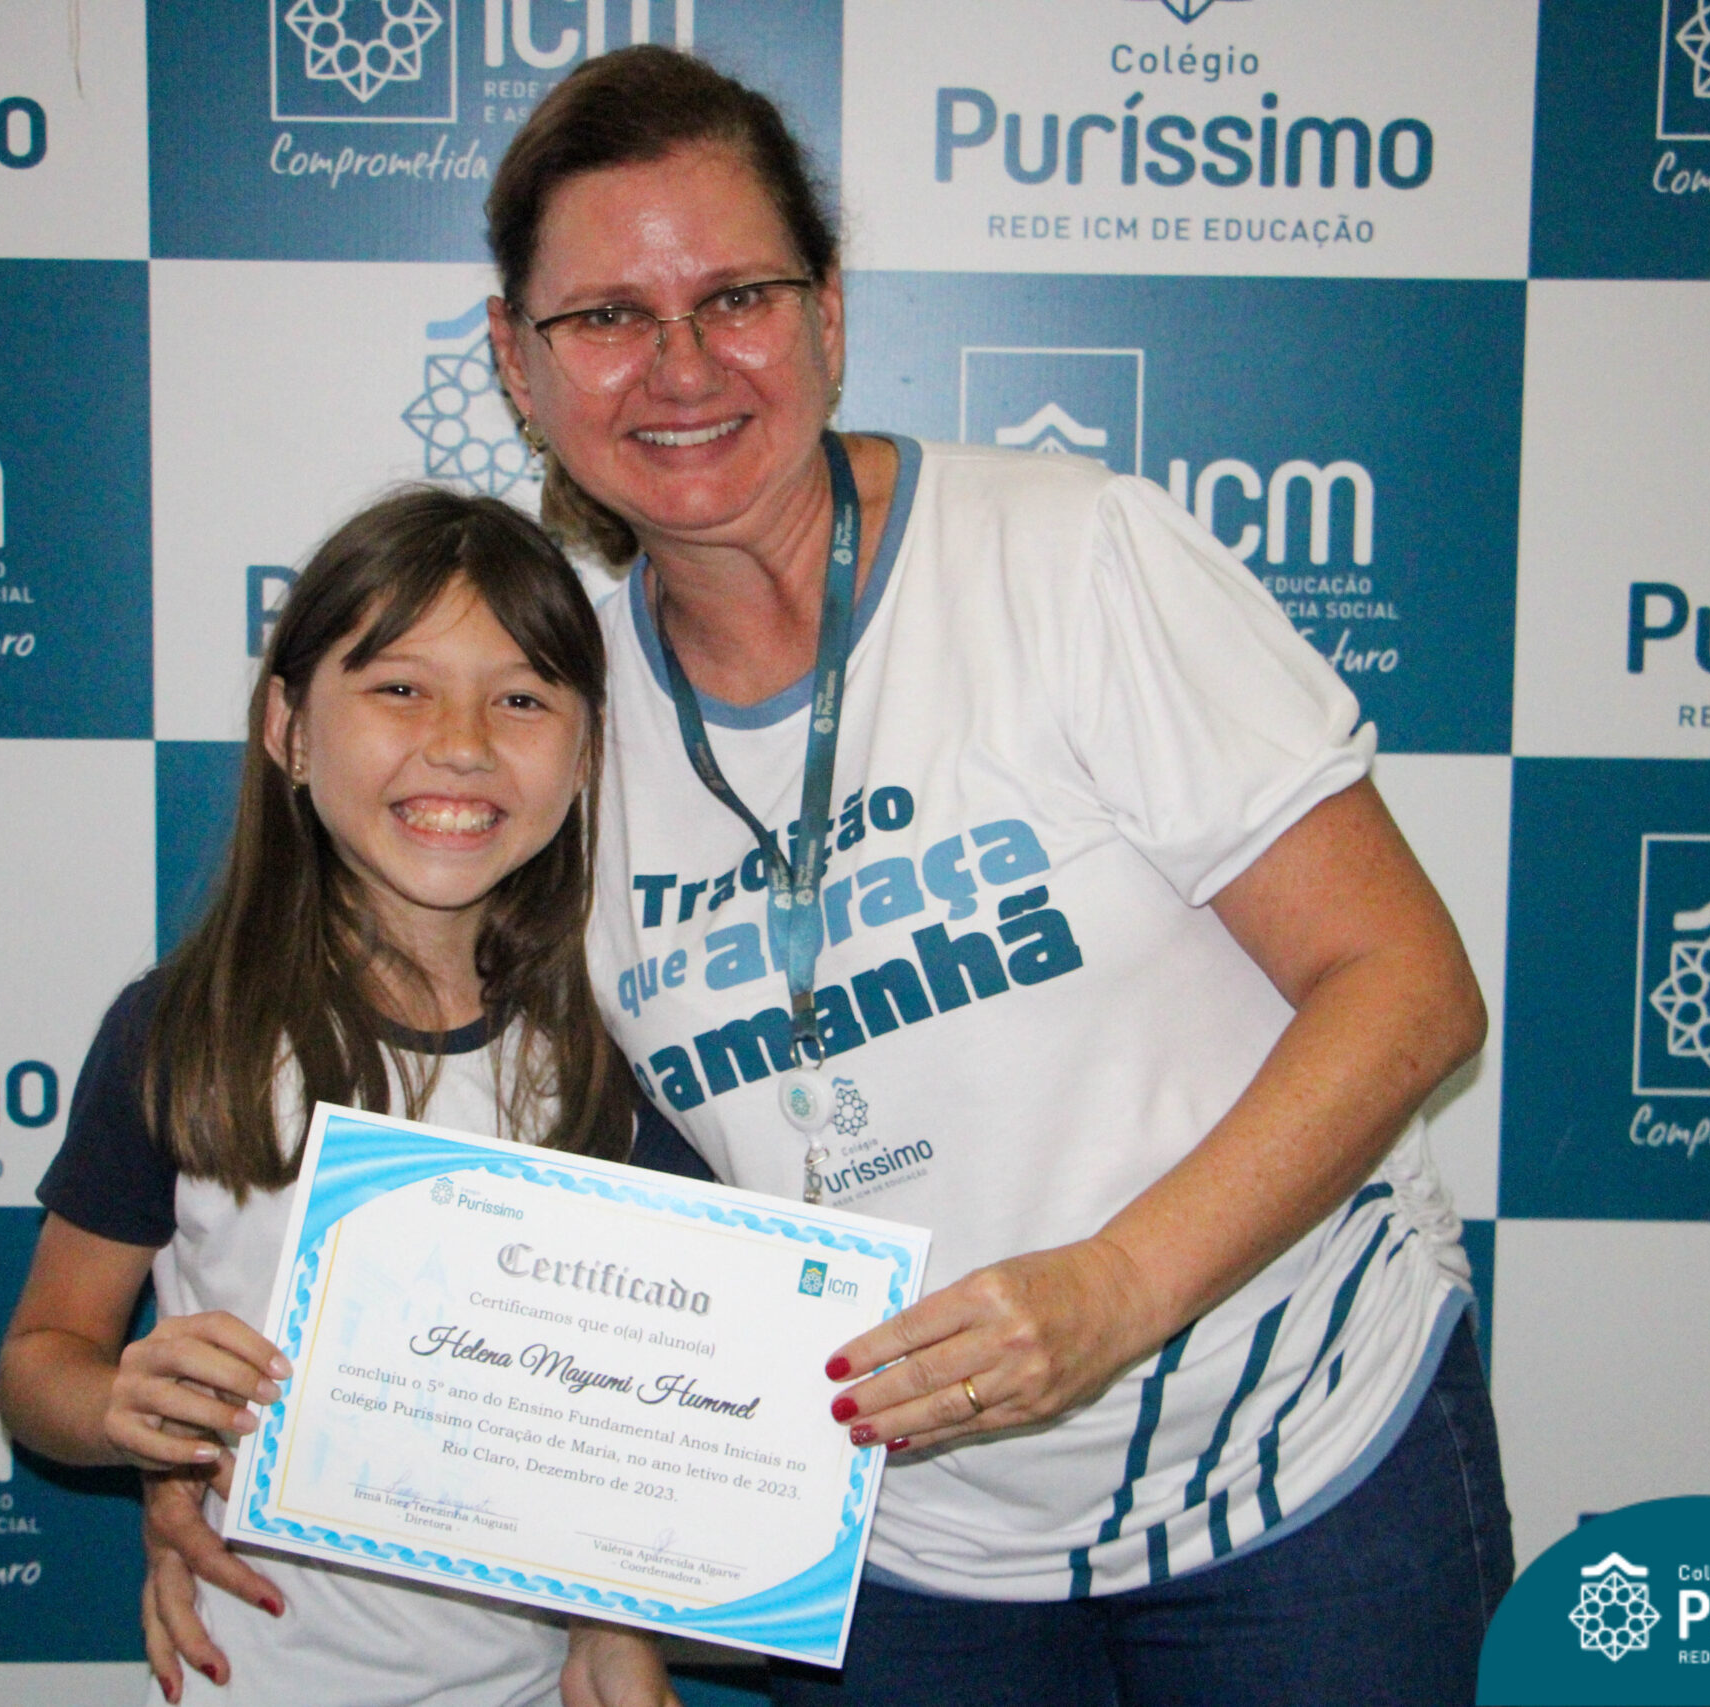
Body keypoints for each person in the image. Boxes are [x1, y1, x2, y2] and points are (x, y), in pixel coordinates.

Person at [474, 46, 1515, 1707]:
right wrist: (599, 1573)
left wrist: (1117, 1289)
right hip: (907, 1549)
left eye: (736, 295)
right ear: (517, 364)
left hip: (1291, 1460)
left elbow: (1408, 986)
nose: (679, 365)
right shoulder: (554, 729)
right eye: (605, 315)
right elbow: (586, 1185)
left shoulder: (1068, 555)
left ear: (829, 313)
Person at [0, 489, 679, 1707]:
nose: (460, 743)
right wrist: (120, 1407)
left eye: (522, 699)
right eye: (399, 687)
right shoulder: (186, 1033)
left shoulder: (618, 1055)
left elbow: (646, 1426)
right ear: (290, 729)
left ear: (586, 752)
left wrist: (610, 1624)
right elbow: (41, 1362)